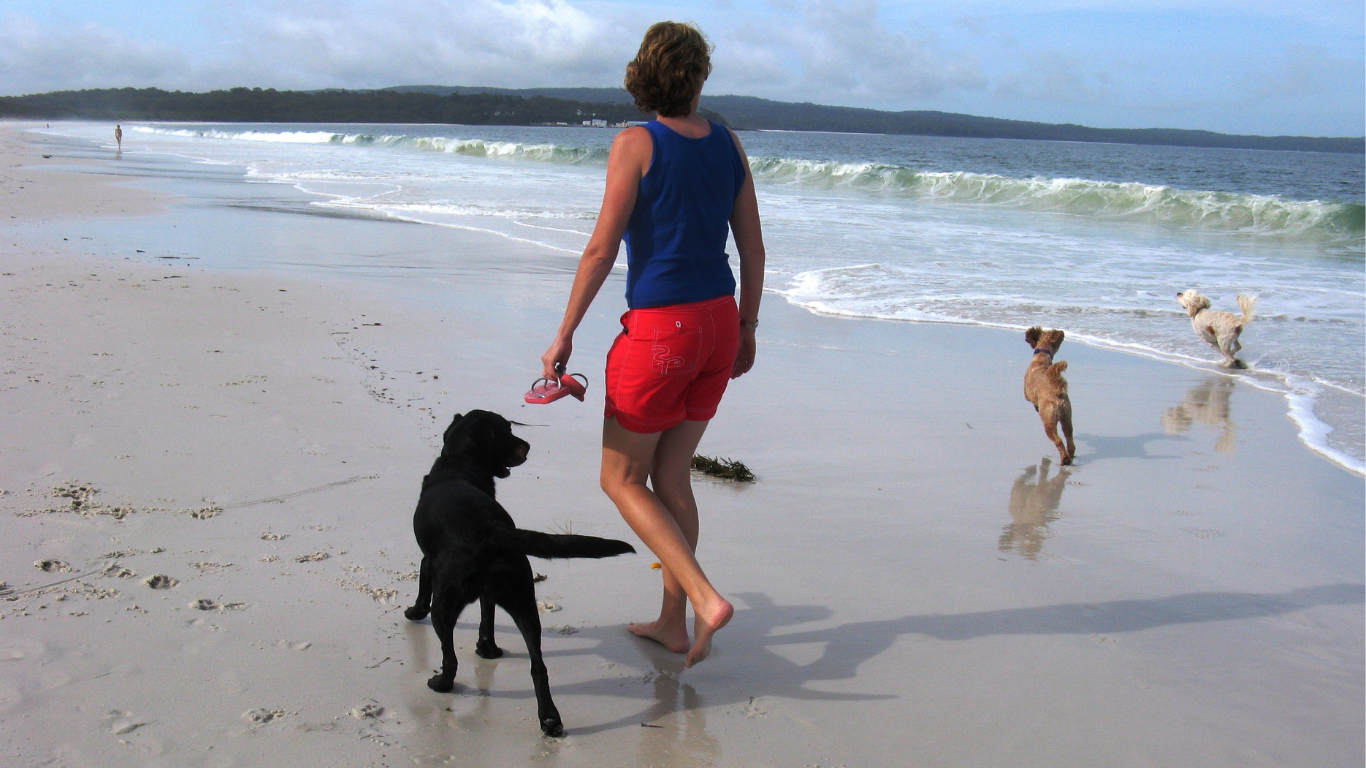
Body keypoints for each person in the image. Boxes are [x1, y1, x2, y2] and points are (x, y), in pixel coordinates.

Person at [540, 21, 765, 668]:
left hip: (662, 332)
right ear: (699, 78)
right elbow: (751, 248)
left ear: (644, 73)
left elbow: (601, 249)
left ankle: (701, 596)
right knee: (670, 476)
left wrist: (564, 334)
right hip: (719, 323)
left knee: (620, 476)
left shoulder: (636, 144)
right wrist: (747, 327)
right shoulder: (729, 144)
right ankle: (672, 623)